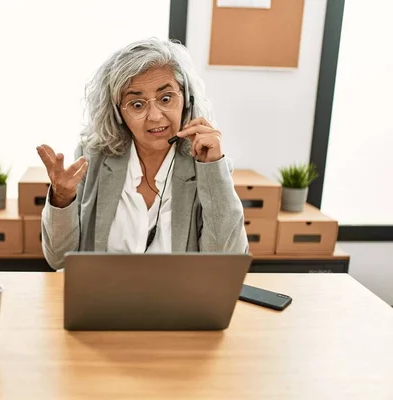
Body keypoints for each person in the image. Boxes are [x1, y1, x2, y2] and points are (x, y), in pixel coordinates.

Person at [36, 38, 248, 270]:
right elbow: (58, 259)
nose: (155, 116)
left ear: (186, 99)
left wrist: (213, 170)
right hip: (104, 300)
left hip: (178, 303)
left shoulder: (206, 163)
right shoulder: (92, 158)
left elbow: (226, 264)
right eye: (137, 104)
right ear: (117, 113)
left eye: (166, 98)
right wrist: (62, 198)